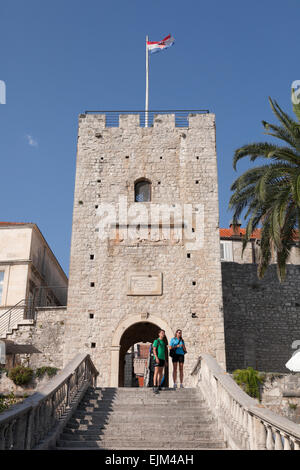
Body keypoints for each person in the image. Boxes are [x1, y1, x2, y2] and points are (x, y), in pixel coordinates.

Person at [152, 329, 166, 394]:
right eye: (162, 333)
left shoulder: (163, 342)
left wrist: (165, 360)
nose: (163, 334)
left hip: (162, 359)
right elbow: (154, 350)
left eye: (164, 333)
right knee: (156, 372)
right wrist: (156, 357)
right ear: (159, 334)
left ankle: (159, 385)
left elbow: (163, 352)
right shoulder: (156, 341)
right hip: (157, 358)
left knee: (160, 373)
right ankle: (155, 386)